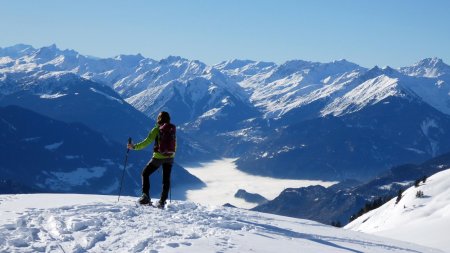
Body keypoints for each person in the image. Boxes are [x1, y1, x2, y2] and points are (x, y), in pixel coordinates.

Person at [128, 111, 176, 208]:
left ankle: (145, 197)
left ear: (159, 119)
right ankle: (162, 201)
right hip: (170, 157)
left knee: (145, 173)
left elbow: (147, 142)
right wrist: (171, 154)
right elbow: (175, 144)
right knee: (166, 179)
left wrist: (134, 147)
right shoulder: (172, 129)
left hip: (158, 157)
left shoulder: (156, 129)